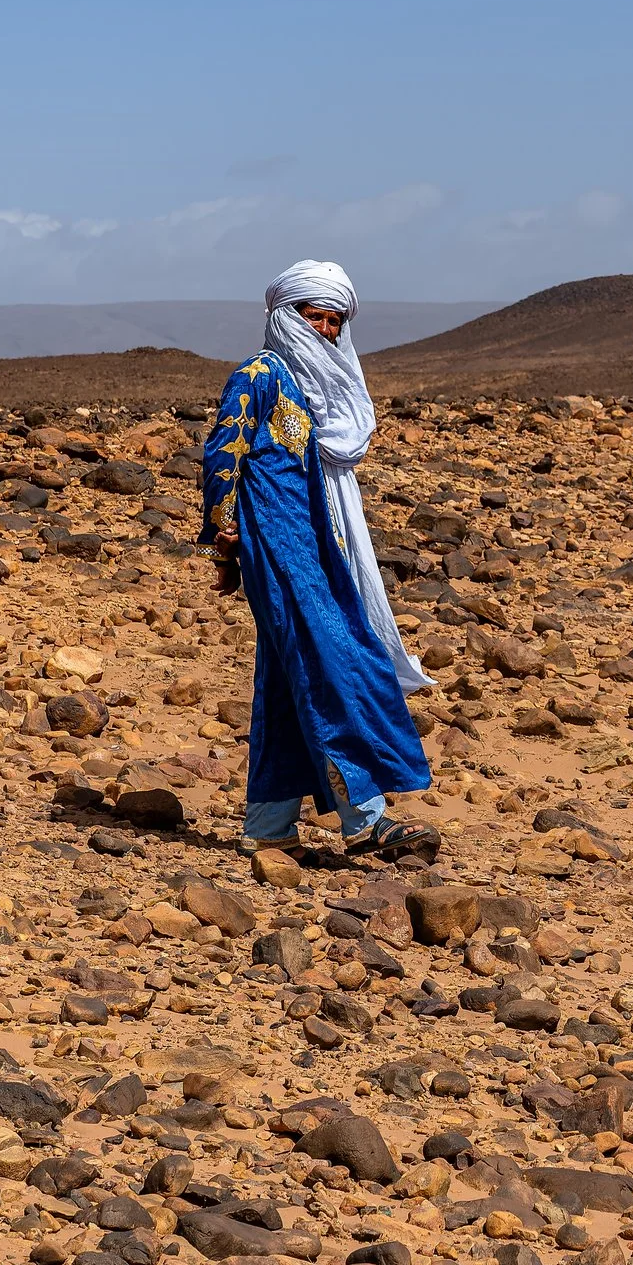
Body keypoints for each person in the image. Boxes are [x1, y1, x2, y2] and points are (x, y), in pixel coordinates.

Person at [200, 259, 439, 864]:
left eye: (336, 323)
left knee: (288, 676)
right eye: (318, 318)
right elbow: (220, 458)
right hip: (279, 548)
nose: (328, 332)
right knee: (334, 659)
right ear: (288, 316)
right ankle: (367, 817)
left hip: (315, 544)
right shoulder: (255, 376)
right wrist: (224, 544)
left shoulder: (310, 389)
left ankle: (270, 823)